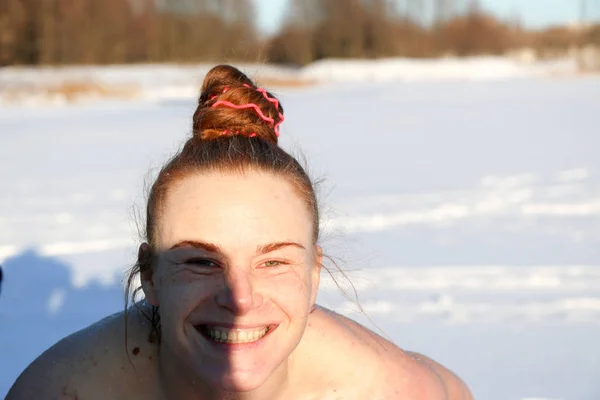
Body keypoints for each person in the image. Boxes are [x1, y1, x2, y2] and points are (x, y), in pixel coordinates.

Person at [7, 65, 473, 400]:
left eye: (273, 261)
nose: (241, 298)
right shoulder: (62, 389)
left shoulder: (378, 388)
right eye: (201, 261)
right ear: (149, 275)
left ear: (313, 274)